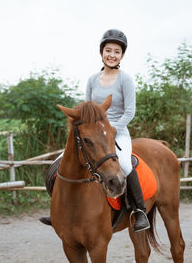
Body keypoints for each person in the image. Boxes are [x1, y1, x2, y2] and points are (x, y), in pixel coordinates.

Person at [40, 29, 150, 232]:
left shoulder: (125, 79)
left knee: (125, 165)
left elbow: (130, 111)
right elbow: (87, 109)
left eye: (117, 51)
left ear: (122, 55)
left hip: (118, 130)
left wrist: (111, 130)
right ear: (102, 53)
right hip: (94, 133)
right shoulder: (92, 79)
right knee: (60, 164)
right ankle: (58, 210)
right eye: (108, 50)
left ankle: (139, 210)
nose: (112, 55)